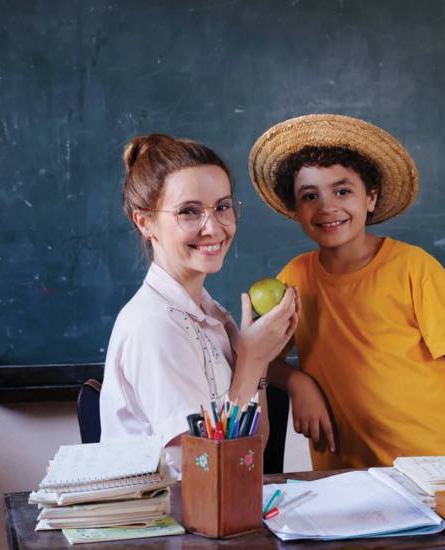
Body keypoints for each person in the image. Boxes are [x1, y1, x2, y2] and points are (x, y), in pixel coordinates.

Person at [249, 114, 445, 471]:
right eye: (310, 196)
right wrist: (297, 382)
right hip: (348, 474)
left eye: (342, 191)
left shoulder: (414, 267)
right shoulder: (294, 278)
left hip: (437, 466)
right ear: (296, 209)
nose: (327, 207)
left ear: (371, 197)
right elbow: (260, 355)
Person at [100, 133, 298, 477]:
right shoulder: (156, 327)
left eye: (222, 207)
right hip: (172, 510)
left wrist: (260, 362)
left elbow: (255, 452)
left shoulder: (208, 313)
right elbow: (212, 472)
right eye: (189, 212)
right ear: (144, 222)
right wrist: (251, 360)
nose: (213, 227)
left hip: (218, 505)